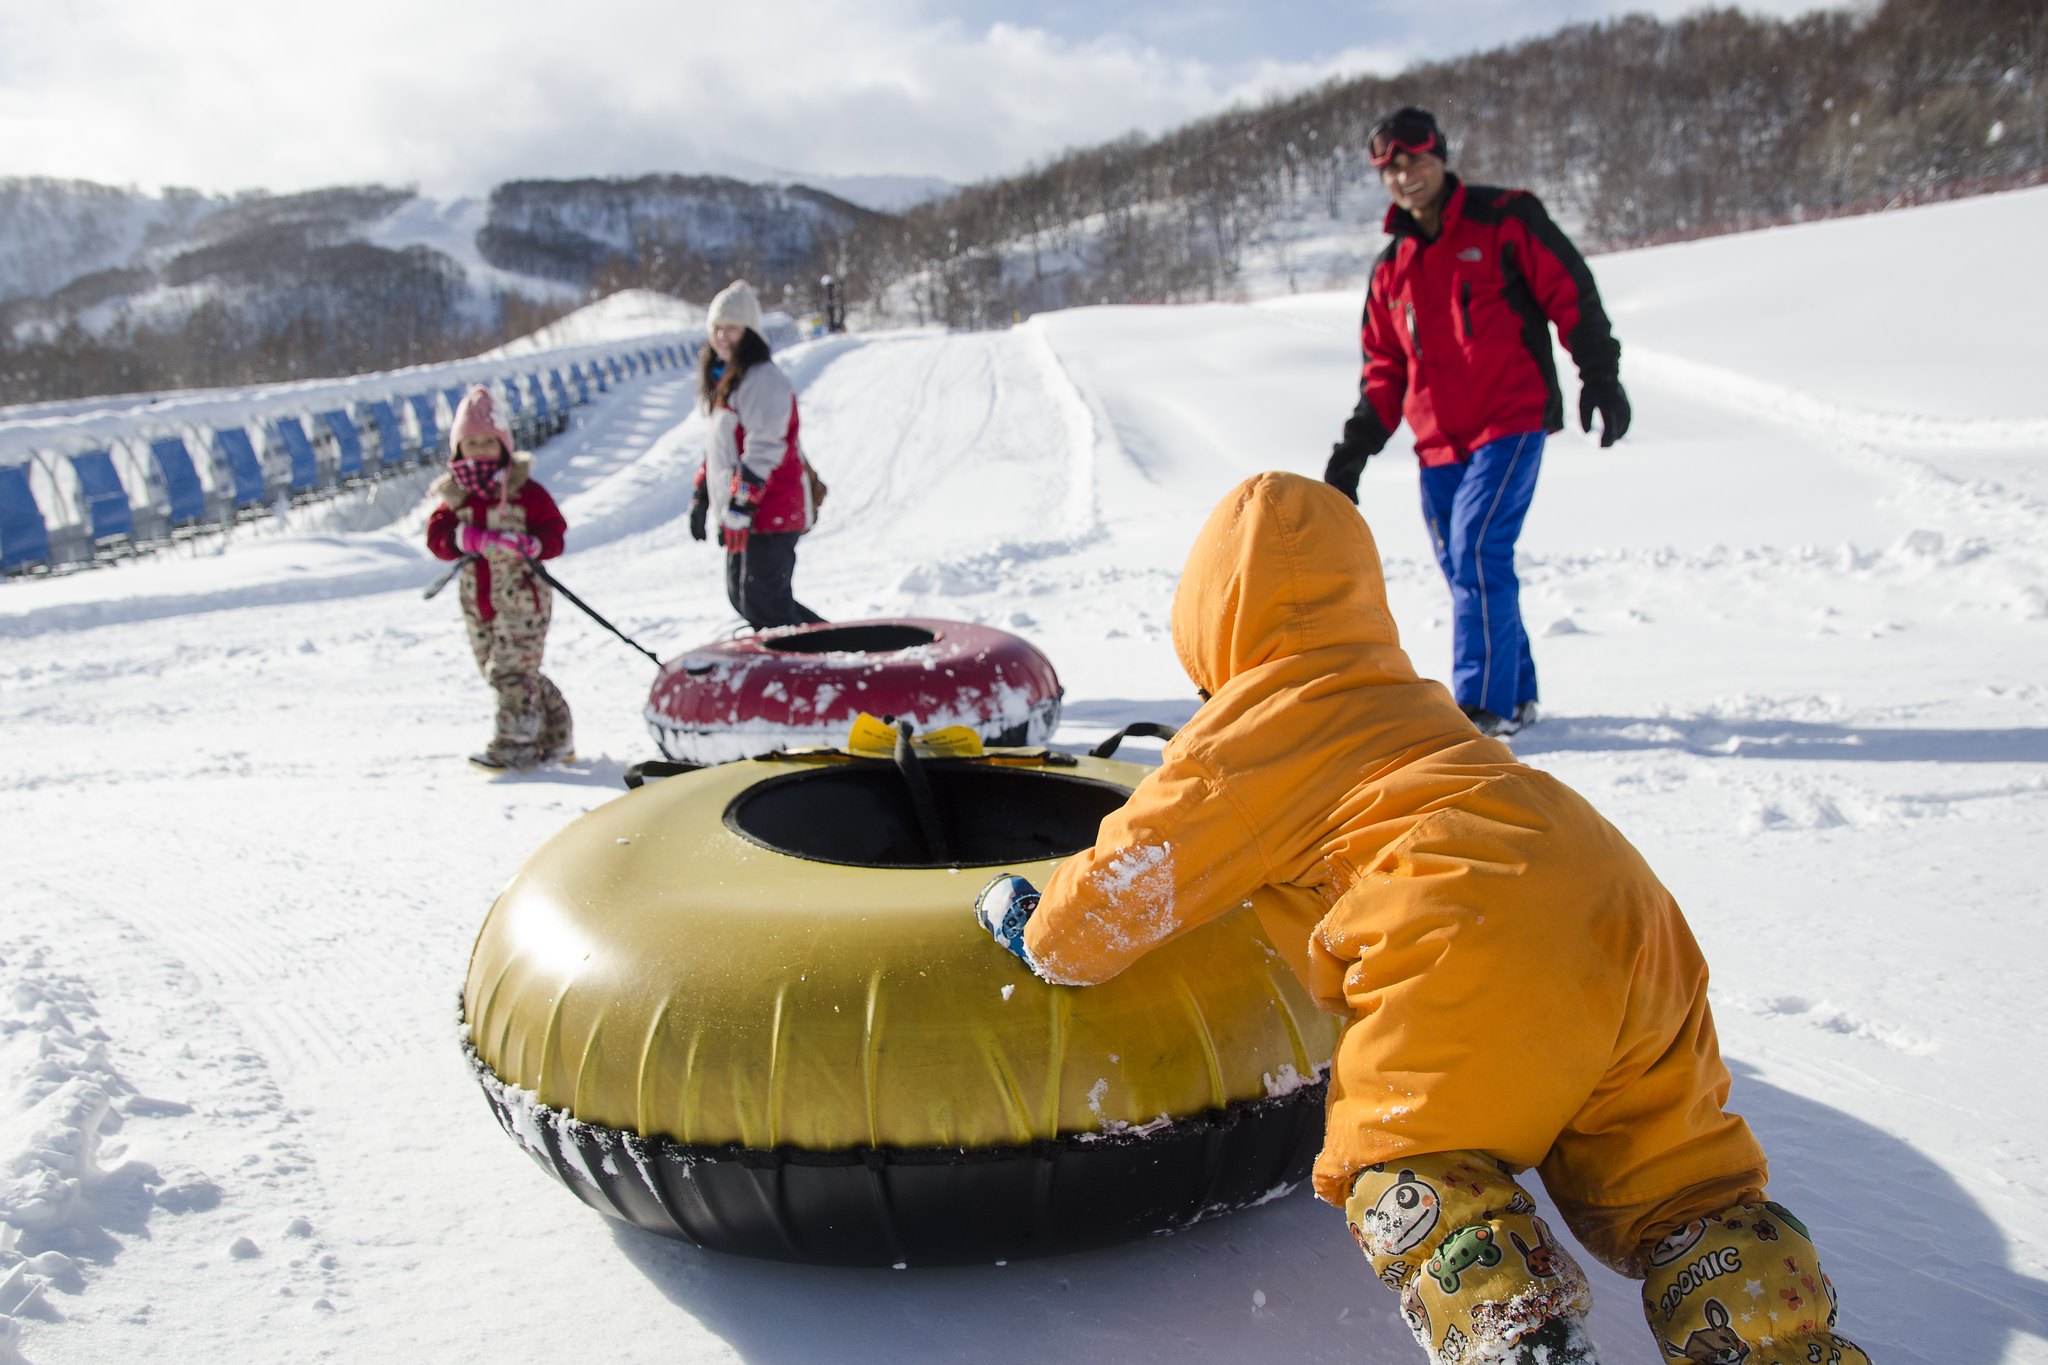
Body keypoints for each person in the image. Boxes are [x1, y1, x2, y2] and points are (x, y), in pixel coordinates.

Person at [974, 473, 1866, 1365]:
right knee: (1680, 1177)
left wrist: (1039, 930)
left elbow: (1124, 885)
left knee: (1415, 1156)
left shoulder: (1243, 737)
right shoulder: (1411, 694)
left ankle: (1519, 1337)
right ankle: (1775, 1334)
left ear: (1211, 619)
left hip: (1464, 918)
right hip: (1621, 902)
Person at [1325, 107, 1631, 739]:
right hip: (1437, 443)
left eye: (1415, 160)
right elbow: (1384, 369)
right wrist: (1355, 449)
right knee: (1468, 570)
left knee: (1476, 551)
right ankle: (1518, 696)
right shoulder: (1390, 269)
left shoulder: (1505, 220)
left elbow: (1570, 292)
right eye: (1390, 169)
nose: (1405, 176)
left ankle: (1481, 709)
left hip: (1508, 421)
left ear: (1441, 155)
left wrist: (1599, 374)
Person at [425, 385, 573, 771]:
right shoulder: (455, 497)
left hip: (523, 599)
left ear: (504, 446)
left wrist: (532, 544)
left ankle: (515, 746)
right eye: (471, 443)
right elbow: (437, 539)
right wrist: (464, 538)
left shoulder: (525, 492)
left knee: (510, 672)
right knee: (506, 673)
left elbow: (555, 534)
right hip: (478, 599)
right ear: (459, 449)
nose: (480, 450)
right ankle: (556, 734)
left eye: (488, 442)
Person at [688, 279, 825, 630]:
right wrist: (703, 494)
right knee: (747, 599)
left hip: (771, 507)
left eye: (731, 328)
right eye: (717, 328)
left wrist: (740, 507)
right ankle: (835, 645)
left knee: (764, 604)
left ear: (749, 331)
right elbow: (721, 449)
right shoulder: (730, 379)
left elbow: (765, 449)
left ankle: (824, 658)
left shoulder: (763, 379)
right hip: (749, 512)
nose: (722, 336)